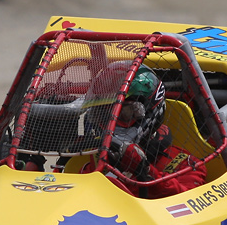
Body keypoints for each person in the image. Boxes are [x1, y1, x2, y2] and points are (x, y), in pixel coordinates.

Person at [82, 64, 206, 198]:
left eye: (124, 113)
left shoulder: (185, 164)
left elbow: (190, 201)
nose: (111, 123)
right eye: (102, 114)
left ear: (149, 111)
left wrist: (145, 169)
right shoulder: (97, 158)